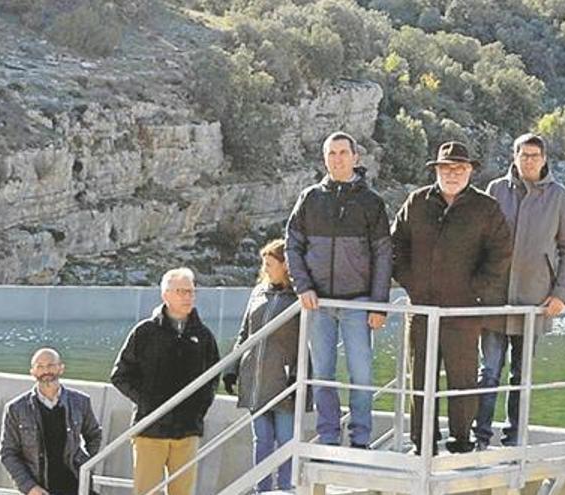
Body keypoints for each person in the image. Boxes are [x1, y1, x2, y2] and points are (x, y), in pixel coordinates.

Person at [392, 141, 512, 455]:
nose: (453, 173)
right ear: (436, 170)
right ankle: (422, 443)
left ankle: (461, 442)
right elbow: (395, 246)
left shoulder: (485, 208)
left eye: (460, 168)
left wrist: (476, 292)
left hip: (463, 312)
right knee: (421, 379)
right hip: (420, 310)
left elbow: (500, 254)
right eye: (446, 168)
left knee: (463, 381)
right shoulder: (417, 202)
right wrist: (411, 283)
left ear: (471, 171)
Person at [285, 131, 392, 448]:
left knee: (361, 375)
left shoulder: (371, 202)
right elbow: (292, 247)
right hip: (318, 303)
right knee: (322, 374)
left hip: (358, 303)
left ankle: (360, 436)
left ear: (356, 157)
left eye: (343, 152)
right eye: (331, 153)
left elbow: (384, 255)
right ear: (324, 159)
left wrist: (379, 304)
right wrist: (302, 286)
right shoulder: (309, 199)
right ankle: (329, 434)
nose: (337, 159)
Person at [473, 133, 565, 450]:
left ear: (544, 159)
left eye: (535, 155)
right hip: (494, 300)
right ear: (515, 156)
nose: (529, 160)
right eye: (524, 154)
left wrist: (560, 293)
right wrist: (477, 287)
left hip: (534, 302)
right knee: (488, 371)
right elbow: (479, 244)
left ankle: (515, 438)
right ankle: (480, 437)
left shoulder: (559, 197)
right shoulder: (495, 190)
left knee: (521, 376)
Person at [111, 268, 221, 495]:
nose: (188, 297)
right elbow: (120, 375)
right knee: (147, 491)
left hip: (188, 431)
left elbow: (212, 379)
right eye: (181, 291)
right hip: (150, 429)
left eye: (191, 291)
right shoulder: (145, 332)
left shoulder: (204, 336)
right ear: (166, 295)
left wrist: (198, 410)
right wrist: (147, 402)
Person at [222, 239, 299, 492]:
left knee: (287, 440)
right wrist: (231, 369)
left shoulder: (299, 297)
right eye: (264, 264)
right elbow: (244, 334)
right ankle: (263, 490)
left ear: (286, 265)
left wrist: (298, 374)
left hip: (284, 379)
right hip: (254, 377)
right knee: (262, 440)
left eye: (270, 264)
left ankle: (286, 489)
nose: (265, 269)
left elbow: (306, 341)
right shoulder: (258, 293)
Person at [0, 347, 102, 495]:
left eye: (51, 365)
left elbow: (94, 434)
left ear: (61, 368)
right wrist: (29, 487)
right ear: (32, 372)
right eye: (40, 367)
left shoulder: (80, 402)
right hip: (40, 489)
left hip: (76, 487)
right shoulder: (16, 409)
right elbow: (7, 453)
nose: (46, 371)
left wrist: (85, 463)